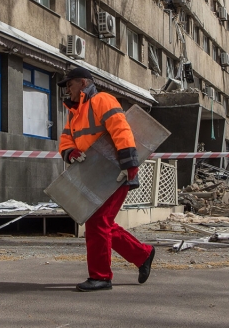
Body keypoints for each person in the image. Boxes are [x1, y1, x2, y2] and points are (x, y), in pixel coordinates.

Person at [57, 66, 156, 292]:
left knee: (96, 223)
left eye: (69, 85)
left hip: (116, 172)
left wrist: (130, 164)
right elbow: (65, 141)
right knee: (102, 223)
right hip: (95, 175)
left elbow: (121, 130)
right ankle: (143, 254)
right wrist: (69, 152)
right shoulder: (74, 113)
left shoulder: (103, 100)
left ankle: (101, 277)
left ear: (83, 83)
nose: (67, 90)